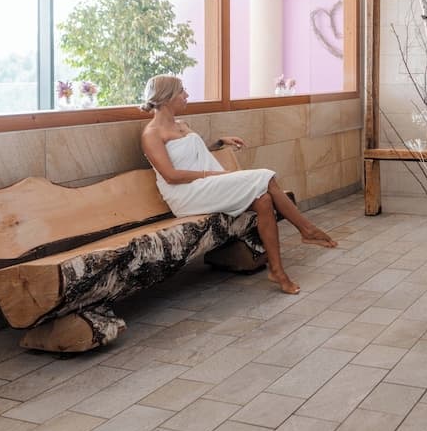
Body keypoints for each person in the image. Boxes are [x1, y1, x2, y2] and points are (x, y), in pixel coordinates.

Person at [140, 74, 336, 295]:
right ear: (167, 97)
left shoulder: (181, 125)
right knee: (265, 177)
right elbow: (170, 176)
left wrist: (220, 142)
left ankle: (277, 271)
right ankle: (307, 229)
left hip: (205, 185)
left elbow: (190, 153)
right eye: (181, 91)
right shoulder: (151, 134)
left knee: (264, 200)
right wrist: (211, 174)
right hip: (186, 194)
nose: (187, 94)